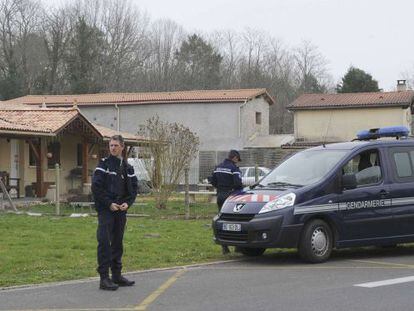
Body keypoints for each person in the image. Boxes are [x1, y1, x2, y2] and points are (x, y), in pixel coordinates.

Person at [92, 135, 138, 291]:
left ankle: (116, 276)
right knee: (104, 242)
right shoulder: (103, 165)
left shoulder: (128, 168)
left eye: (116, 145)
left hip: (120, 211)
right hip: (106, 210)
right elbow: (96, 188)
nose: (113, 148)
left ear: (122, 147)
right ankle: (104, 278)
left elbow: (133, 189)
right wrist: (108, 203)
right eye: (111, 145)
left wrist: (128, 203)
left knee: (118, 242)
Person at [211, 149, 243, 254]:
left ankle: (224, 247)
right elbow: (238, 184)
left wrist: (220, 189)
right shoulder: (234, 169)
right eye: (237, 159)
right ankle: (238, 246)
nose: (237, 162)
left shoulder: (217, 167)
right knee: (236, 221)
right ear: (234, 157)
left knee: (222, 220)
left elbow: (213, 181)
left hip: (220, 195)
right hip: (231, 197)